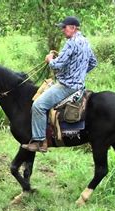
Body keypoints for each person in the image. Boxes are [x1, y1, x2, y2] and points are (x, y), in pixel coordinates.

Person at [22, 16, 97, 152]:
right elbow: (93, 62)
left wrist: (50, 59)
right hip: (79, 86)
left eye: (64, 27)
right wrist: (79, 73)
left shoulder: (71, 43)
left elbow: (57, 65)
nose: (62, 30)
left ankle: (39, 141)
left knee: (38, 105)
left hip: (66, 86)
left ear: (73, 28)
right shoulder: (85, 41)